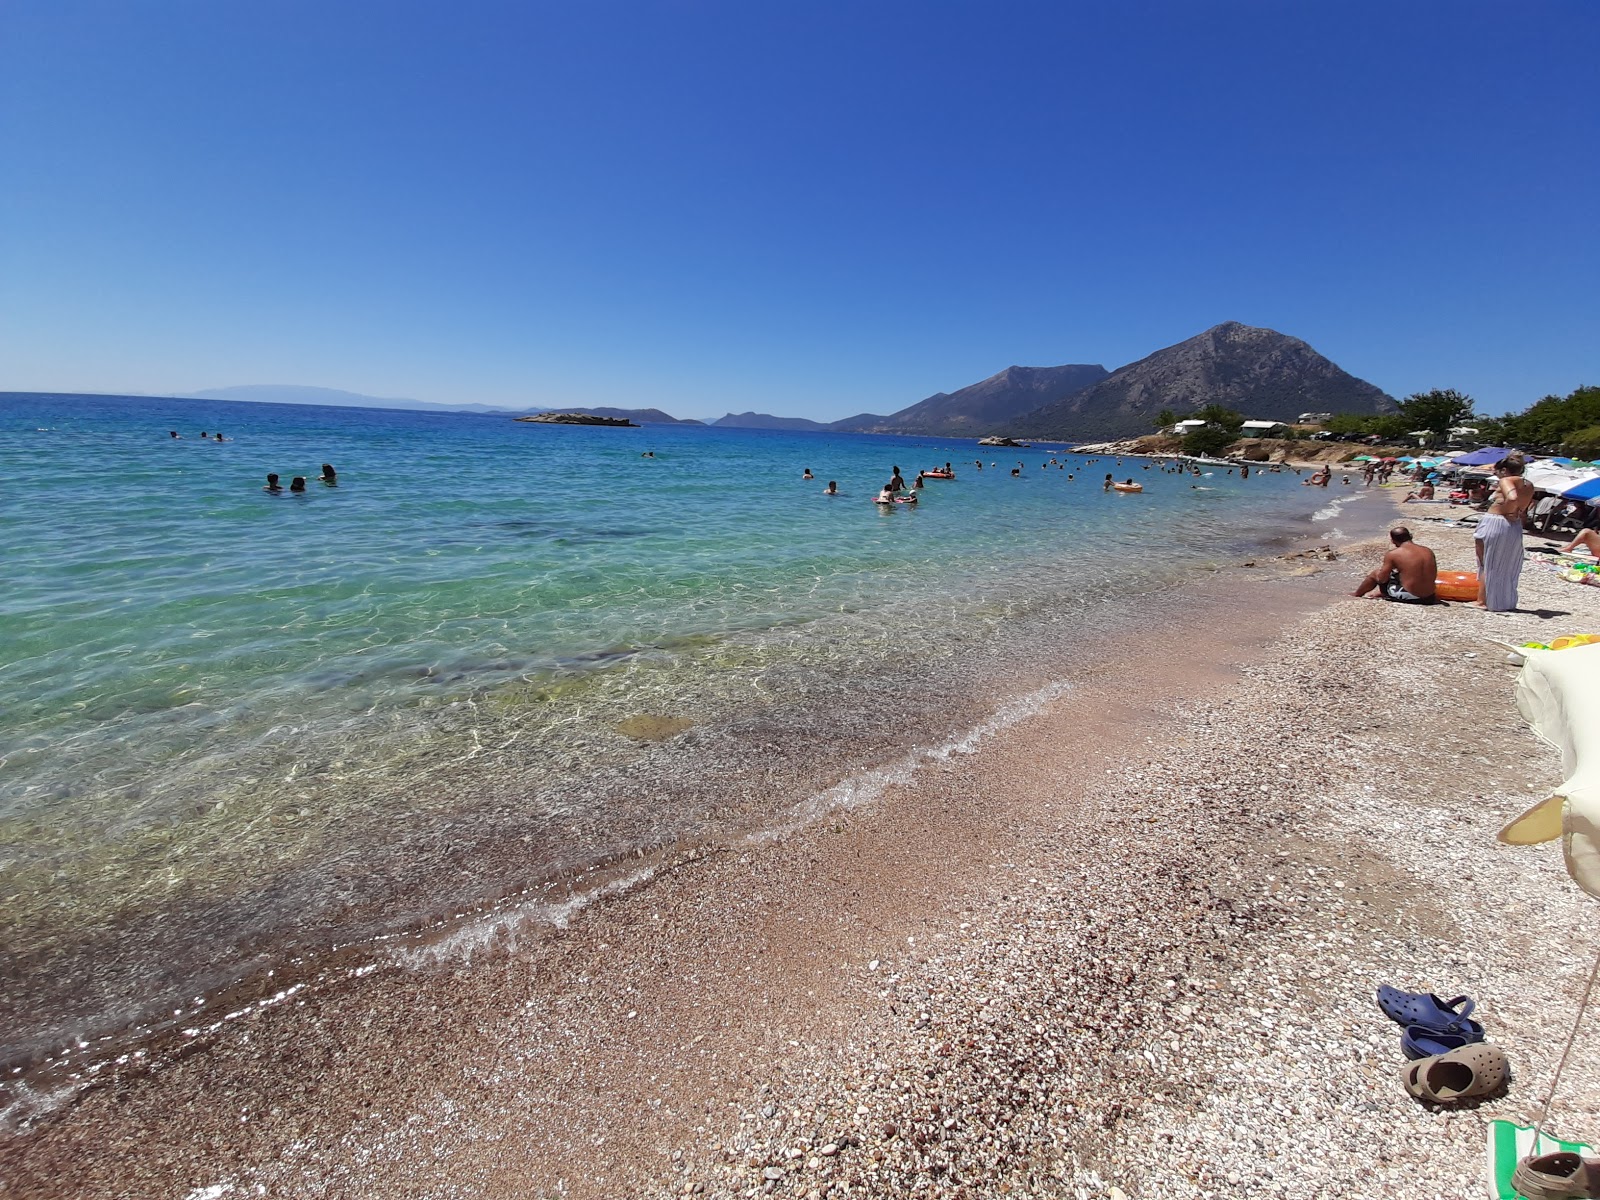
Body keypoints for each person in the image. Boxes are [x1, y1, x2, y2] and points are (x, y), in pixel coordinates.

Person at [1475, 453, 1533, 611]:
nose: (1496, 474)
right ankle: (1502, 601)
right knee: (1506, 564)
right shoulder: (1529, 484)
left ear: (1504, 470)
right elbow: (1524, 506)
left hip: (1496, 521)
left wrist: (1508, 509)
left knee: (1486, 562)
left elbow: (1512, 497)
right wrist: (1514, 511)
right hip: (1513, 524)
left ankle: (1482, 601)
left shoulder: (1506, 480)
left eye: (1497, 471)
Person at [1352, 526, 1439, 604]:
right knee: (1402, 574)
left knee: (1376, 573)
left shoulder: (1393, 554)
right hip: (1429, 597)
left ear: (1393, 540)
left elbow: (1382, 579)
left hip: (1413, 597)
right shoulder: (1427, 551)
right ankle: (1384, 592)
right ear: (1410, 536)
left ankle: (1357, 594)